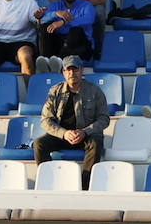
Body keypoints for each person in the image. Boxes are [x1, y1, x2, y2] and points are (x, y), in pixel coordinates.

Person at [33, 55, 107, 189]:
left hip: (85, 135)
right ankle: (49, 183)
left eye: (75, 69)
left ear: (82, 70)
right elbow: (45, 120)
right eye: (68, 70)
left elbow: (104, 119)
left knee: (96, 143)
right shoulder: (54, 91)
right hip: (62, 135)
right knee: (39, 144)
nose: (72, 73)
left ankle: (84, 188)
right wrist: (64, 133)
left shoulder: (95, 91)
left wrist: (85, 132)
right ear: (63, 73)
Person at [37, 0, 96, 64]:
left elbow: (89, 19)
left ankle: (59, 61)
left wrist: (63, 22)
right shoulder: (55, 5)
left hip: (80, 46)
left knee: (76, 30)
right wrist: (55, 13)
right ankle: (46, 61)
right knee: (45, 27)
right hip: (59, 44)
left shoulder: (86, 5)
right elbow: (42, 21)